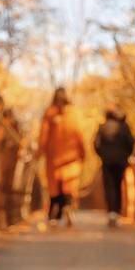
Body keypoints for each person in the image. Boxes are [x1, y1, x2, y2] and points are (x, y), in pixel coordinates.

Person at [38, 87, 87, 224]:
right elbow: (79, 134)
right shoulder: (74, 113)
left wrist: (39, 152)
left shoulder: (49, 113)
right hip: (72, 158)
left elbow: (43, 135)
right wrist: (83, 153)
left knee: (55, 186)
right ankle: (67, 206)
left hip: (53, 157)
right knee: (69, 185)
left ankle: (54, 215)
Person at [93, 107, 135, 226]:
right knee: (118, 185)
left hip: (107, 161)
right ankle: (116, 212)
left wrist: (102, 155)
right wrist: (126, 155)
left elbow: (96, 144)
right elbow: (131, 143)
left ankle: (111, 211)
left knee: (109, 186)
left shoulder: (102, 127)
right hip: (121, 161)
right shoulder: (124, 127)